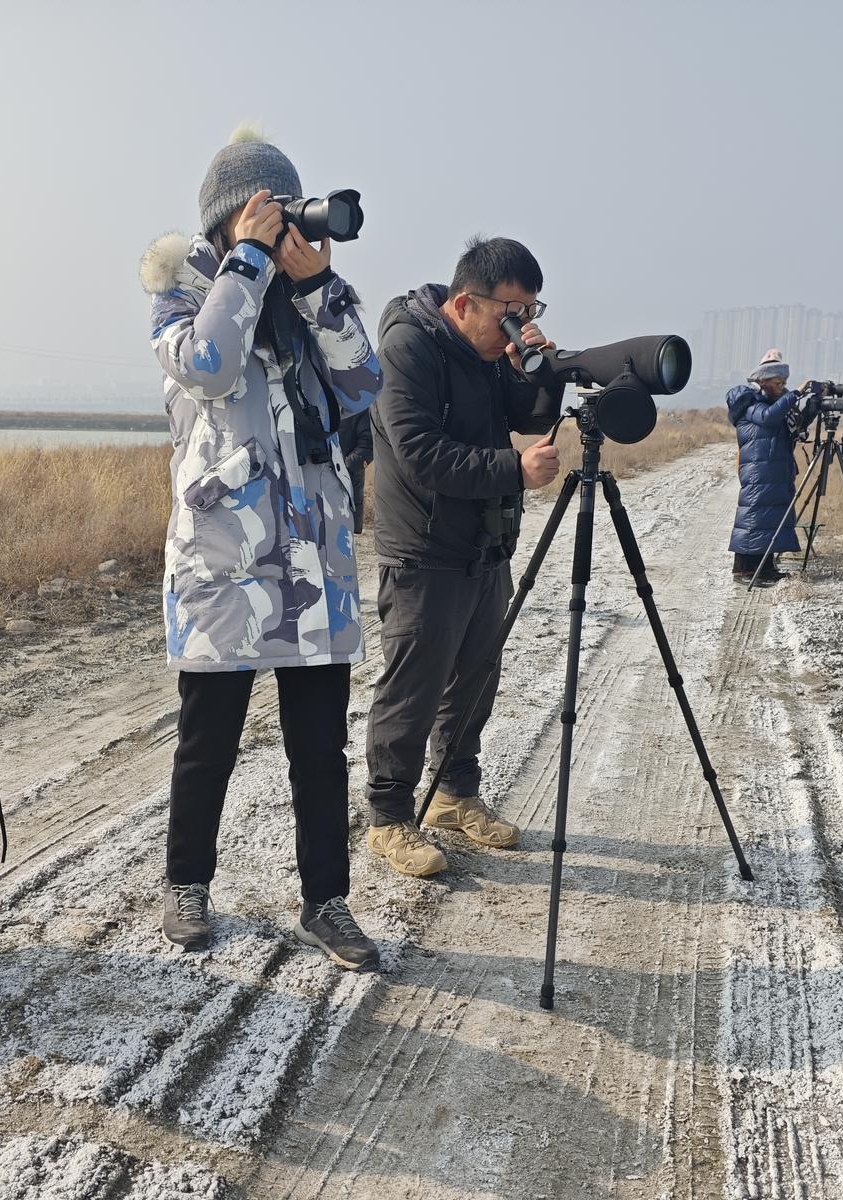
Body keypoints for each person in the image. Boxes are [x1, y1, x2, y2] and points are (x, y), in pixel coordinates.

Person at [139, 125, 384, 970]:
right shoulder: (180, 298)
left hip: (314, 562)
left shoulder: (307, 305)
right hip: (225, 564)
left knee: (319, 750)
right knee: (206, 743)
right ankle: (186, 884)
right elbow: (208, 366)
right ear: (227, 220)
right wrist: (246, 261)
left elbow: (366, 383)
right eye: (263, 213)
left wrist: (318, 288)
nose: (282, 226)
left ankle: (327, 902)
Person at [363, 237, 565, 878]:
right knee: (414, 687)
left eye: (529, 310)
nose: (519, 323)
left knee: (475, 680)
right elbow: (419, 452)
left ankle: (453, 796)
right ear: (463, 304)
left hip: (483, 542)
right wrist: (514, 469)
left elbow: (527, 415)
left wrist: (538, 371)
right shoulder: (408, 348)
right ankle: (389, 819)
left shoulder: (489, 352)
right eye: (510, 310)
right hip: (423, 547)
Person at [727, 348, 815, 584]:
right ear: (763, 381)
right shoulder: (751, 404)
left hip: (773, 470)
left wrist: (812, 404)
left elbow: (792, 426)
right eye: (778, 383)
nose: (782, 387)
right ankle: (743, 571)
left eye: (784, 383)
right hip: (758, 472)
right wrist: (796, 393)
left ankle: (765, 569)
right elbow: (767, 417)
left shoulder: (773, 403)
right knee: (753, 518)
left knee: (769, 520)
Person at [339, 407, 373, 534]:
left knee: (346, 537)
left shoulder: (359, 407)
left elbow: (368, 445)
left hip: (349, 484)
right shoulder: (314, 401)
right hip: (317, 483)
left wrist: (344, 467)